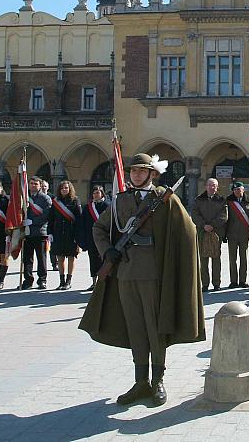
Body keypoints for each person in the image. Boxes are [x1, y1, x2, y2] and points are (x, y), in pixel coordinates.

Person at [79, 153, 205, 407]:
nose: (136, 175)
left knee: (154, 327)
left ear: (152, 174)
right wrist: (107, 251)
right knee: (135, 327)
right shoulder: (120, 201)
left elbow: (189, 229)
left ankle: (157, 380)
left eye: (141, 171)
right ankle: (140, 382)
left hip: (154, 274)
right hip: (125, 273)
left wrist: (170, 252)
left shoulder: (165, 199)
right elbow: (98, 228)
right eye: (133, 171)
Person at [191, 178, 228, 292]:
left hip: (216, 232)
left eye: (214, 186)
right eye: (210, 185)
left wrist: (212, 225)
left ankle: (216, 283)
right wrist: (204, 225)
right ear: (206, 186)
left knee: (216, 259)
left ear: (217, 187)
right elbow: (195, 215)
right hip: (202, 232)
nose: (212, 187)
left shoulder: (222, 200)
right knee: (203, 259)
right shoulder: (199, 200)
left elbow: (224, 216)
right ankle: (205, 284)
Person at [48, 180, 82, 290]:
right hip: (58, 233)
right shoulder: (55, 201)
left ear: (70, 189)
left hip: (71, 233)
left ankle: (69, 280)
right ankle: (61, 281)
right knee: (60, 257)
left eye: (66, 188)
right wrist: (50, 233)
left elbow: (79, 219)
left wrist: (78, 235)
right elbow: (51, 219)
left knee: (71, 257)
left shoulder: (75, 200)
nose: (64, 190)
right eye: (62, 188)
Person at [225, 181, 249, 289]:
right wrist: (224, 234)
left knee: (244, 259)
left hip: (245, 234)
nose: (237, 191)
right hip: (232, 234)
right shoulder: (228, 202)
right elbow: (225, 219)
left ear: (243, 190)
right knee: (232, 259)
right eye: (235, 190)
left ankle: (243, 281)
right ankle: (233, 281)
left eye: (239, 189)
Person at [21, 176, 52, 290]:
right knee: (27, 258)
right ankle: (28, 280)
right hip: (27, 232)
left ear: (40, 185)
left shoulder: (45, 198)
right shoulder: (25, 197)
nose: (33, 186)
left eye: (36, 184)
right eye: (31, 184)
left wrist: (32, 221)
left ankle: (42, 280)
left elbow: (46, 215)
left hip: (40, 232)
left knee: (41, 258)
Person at [78, 185, 108, 291]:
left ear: (102, 193)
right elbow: (83, 223)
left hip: (104, 238)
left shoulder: (107, 205)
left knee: (104, 260)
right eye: (94, 193)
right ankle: (94, 282)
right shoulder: (88, 207)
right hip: (91, 238)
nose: (96, 195)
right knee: (93, 260)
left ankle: (103, 281)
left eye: (98, 193)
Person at [41, 179, 59, 272]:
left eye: (45, 186)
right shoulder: (37, 198)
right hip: (41, 224)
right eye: (42, 186)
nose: (43, 187)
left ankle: (54, 264)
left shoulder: (53, 197)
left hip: (51, 223)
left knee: (52, 245)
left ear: (48, 187)